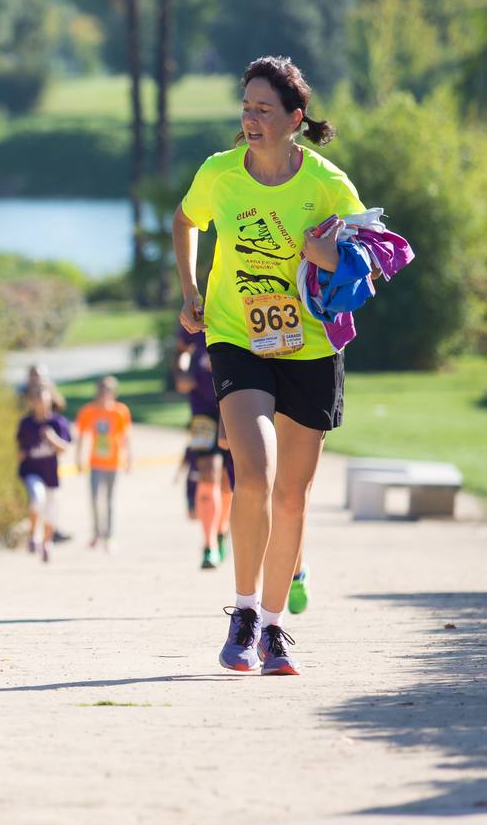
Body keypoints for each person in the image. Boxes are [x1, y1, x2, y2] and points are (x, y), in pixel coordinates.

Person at [172, 55, 364, 676]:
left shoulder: (328, 184)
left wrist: (328, 251)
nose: (250, 119)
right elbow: (186, 219)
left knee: (292, 496)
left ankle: (277, 630)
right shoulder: (219, 173)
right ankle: (245, 612)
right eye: (246, 107)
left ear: (294, 119)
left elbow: (370, 260)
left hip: (310, 345)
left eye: (264, 109)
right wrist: (189, 291)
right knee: (252, 472)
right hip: (236, 334)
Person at [173, 325, 233, 569]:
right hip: (202, 411)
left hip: (234, 403)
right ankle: (208, 546)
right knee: (207, 473)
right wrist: (180, 373)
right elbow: (180, 350)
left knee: (229, 480)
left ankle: (222, 530)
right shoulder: (198, 316)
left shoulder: (238, 304)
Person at [74, 376, 132, 552]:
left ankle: (110, 536)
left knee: (109, 501)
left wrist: (129, 458)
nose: (104, 396)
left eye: (107, 392)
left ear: (113, 393)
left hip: (114, 463)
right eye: (101, 392)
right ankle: (96, 534)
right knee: (94, 500)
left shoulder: (120, 411)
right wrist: (78, 458)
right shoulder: (88, 411)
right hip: (96, 463)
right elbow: (82, 436)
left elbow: (125, 436)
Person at [16, 386, 72, 562]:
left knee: (52, 512)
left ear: (50, 401)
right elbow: (20, 449)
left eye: (44, 400)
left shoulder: (58, 423)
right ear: (32, 403)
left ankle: (47, 543)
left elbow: (65, 449)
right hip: (31, 471)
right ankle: (33, 536)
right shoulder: (27, 424)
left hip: (51, 474)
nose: (41, 403)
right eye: (37, 400)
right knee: (37, 497)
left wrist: (52, 439)